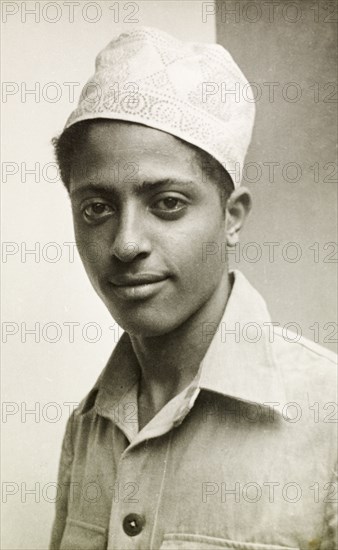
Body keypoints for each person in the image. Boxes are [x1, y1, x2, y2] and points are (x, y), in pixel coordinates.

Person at [50, 27, 337, 550]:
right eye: (96, 208)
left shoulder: (328, 416)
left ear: (231, 217)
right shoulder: (87, 427)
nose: (126, 243)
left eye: (167, 203)